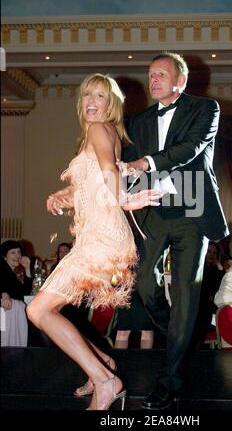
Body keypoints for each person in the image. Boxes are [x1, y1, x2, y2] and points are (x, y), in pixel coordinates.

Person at [26, 73, 161, 411]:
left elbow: (110, 174)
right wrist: (66, 196)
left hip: (101, 238)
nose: (92, 100)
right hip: (99, 234)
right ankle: (101, 365)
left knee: (38, 309)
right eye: (87, 94)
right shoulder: (101, 133)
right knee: (47, 309)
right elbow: (96, 185)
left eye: (100, 96)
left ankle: (104, 379)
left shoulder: (100, 129)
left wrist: (125, 200)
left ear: (110, 104)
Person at [119, 52, 229, 410]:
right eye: (150, 74)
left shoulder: (205, 108)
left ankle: (170, 378)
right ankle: (180, 335)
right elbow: (122, 157)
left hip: (192, 209)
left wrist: (144, 162)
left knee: (185, 292)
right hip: (153, 209)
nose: (153, 80)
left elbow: (189, 149)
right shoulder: (138, 120)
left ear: (180, 80)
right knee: (146, 286)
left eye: (161, 74)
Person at [0, 240, 33, 346]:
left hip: (13, 312)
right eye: (13, 252)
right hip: (7, 312)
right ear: (5, 256)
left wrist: (27, 268)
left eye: (19, 252)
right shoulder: (3, 268)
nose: (17, 255)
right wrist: (4, 294)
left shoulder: (9, 271)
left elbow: (24, 292)